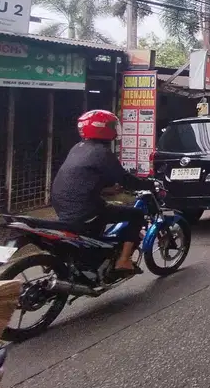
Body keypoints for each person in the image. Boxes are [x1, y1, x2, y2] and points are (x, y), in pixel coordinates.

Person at [50, 109, 149, 280]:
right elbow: (125, 179)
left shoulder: (78, 148)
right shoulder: (102, 153)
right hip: (85, 209)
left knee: (105, 213)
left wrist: (107, 190)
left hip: (62, 205)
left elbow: (83, 177)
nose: (115, 129)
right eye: (112, 126)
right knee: (137, 214)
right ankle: (124, 261)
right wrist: (149, 184)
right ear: (103, 128)